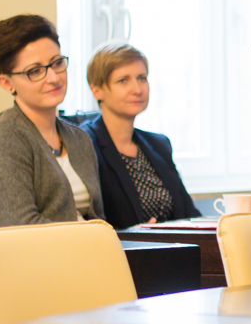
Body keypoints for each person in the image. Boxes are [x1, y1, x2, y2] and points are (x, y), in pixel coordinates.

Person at [0, 14, 104, 229]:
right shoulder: (1, 138)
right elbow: (22, 229)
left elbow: (98, 220)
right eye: (35, 71)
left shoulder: (79, 138)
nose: (54, 78)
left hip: (83, 247)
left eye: (57, 63)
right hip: (17, 251)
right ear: (7, 83)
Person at [81, 42, 200, 228]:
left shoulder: (159, 144)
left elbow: (189, 213)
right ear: (97, 90)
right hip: (122, 246)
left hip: (174, 244)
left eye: (142, 78)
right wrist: (135, 233)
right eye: (123, 81)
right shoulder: (85, 144)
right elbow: (89, 222)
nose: (137, 90)